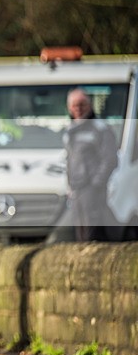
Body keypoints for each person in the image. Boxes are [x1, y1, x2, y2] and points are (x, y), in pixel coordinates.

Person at [64, 88, 119, 241]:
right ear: (69, 108)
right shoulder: (70, 130)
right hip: (76, 188)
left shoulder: (100, 129)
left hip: (92, 188)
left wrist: (96, 184)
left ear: (90, 106)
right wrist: (69, 185)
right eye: (75, 105)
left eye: (82, 104)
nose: (78, 109)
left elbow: (110, 159)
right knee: (80, 231)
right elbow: (70, 159)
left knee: (94, 230)